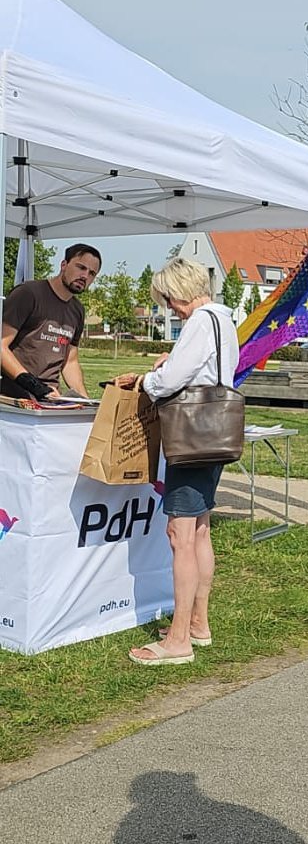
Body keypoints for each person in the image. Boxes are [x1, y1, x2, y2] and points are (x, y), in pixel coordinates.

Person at [114, 258, 239, 667]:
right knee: (200, 531)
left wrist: (147, 381)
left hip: (191, 438)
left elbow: (170, 382)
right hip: (216, 436)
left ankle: (179, 637)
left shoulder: (200, 321)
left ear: (179, 291)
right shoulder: (224, 318)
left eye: (168, 300)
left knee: (180, 535)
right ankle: (198, 624)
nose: (170, 308)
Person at [0, 243, 101, 400]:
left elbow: (70, 362)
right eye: (81, 267)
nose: (85, 276)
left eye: (92, 273)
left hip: (51, 398)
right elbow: (1, 346)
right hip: (14, 398)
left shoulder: (78, 310)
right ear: (64, 265)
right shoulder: (28, 294)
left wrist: (85, 400)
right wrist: (33, 385)